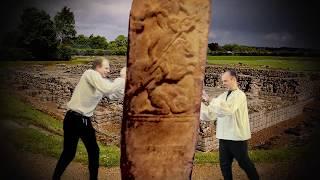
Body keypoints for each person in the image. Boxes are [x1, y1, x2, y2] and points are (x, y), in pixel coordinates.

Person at [52, 57, 125, 180]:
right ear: (97, 67)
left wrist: (126, 84)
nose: (109, 70)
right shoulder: (89, 73)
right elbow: (107, 88)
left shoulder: (101, 82)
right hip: (74, 119)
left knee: (93, 152)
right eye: (106, 67)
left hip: (84, 121)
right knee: (70, 153)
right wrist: (123, 77)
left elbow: (113, 95)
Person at [203, 70, 259, 180]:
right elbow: (211, 113)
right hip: (223, 137)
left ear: (233, 79)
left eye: (225, 81)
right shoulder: (223, 95)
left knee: (244, 163)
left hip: (236, 137)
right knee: (224, 165)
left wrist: (210, 99)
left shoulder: (240, 95)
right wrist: (197, 104)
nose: (223, 83)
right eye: (222, 81)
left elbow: (228, 110)